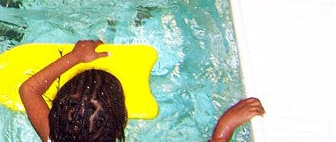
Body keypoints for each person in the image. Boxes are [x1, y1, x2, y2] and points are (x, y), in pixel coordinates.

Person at [19, 40, 264, 142]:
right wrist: (223, 130)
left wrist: (75, 56)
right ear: (121, 124)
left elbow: (29, 90)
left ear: (56, 117)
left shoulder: (52, 137)